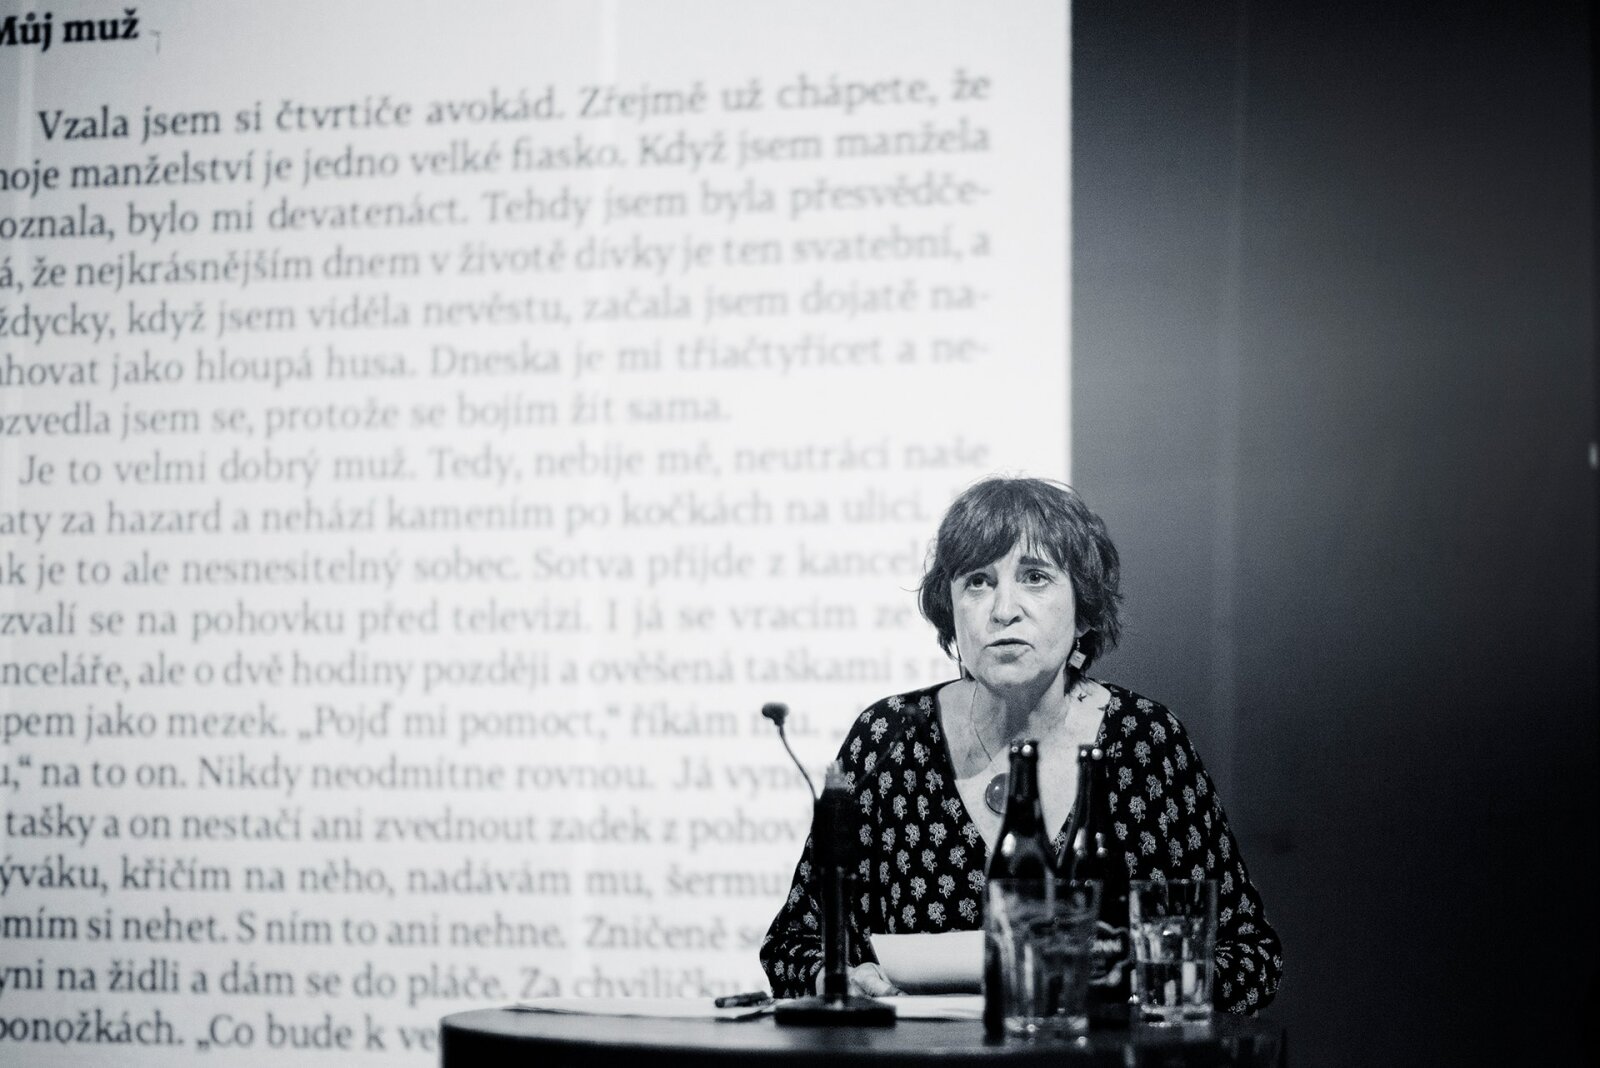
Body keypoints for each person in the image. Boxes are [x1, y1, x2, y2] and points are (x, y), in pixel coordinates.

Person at [759, 476, 1282, 1013]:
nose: (1003, 608)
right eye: (978, 582)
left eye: (1035, 577)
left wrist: (1123, 989)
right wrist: (837, 980)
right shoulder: (889, 739)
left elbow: (1248, 956)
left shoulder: (1145, 744)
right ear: (950, 612)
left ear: (1084, 610)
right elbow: (792, 947)